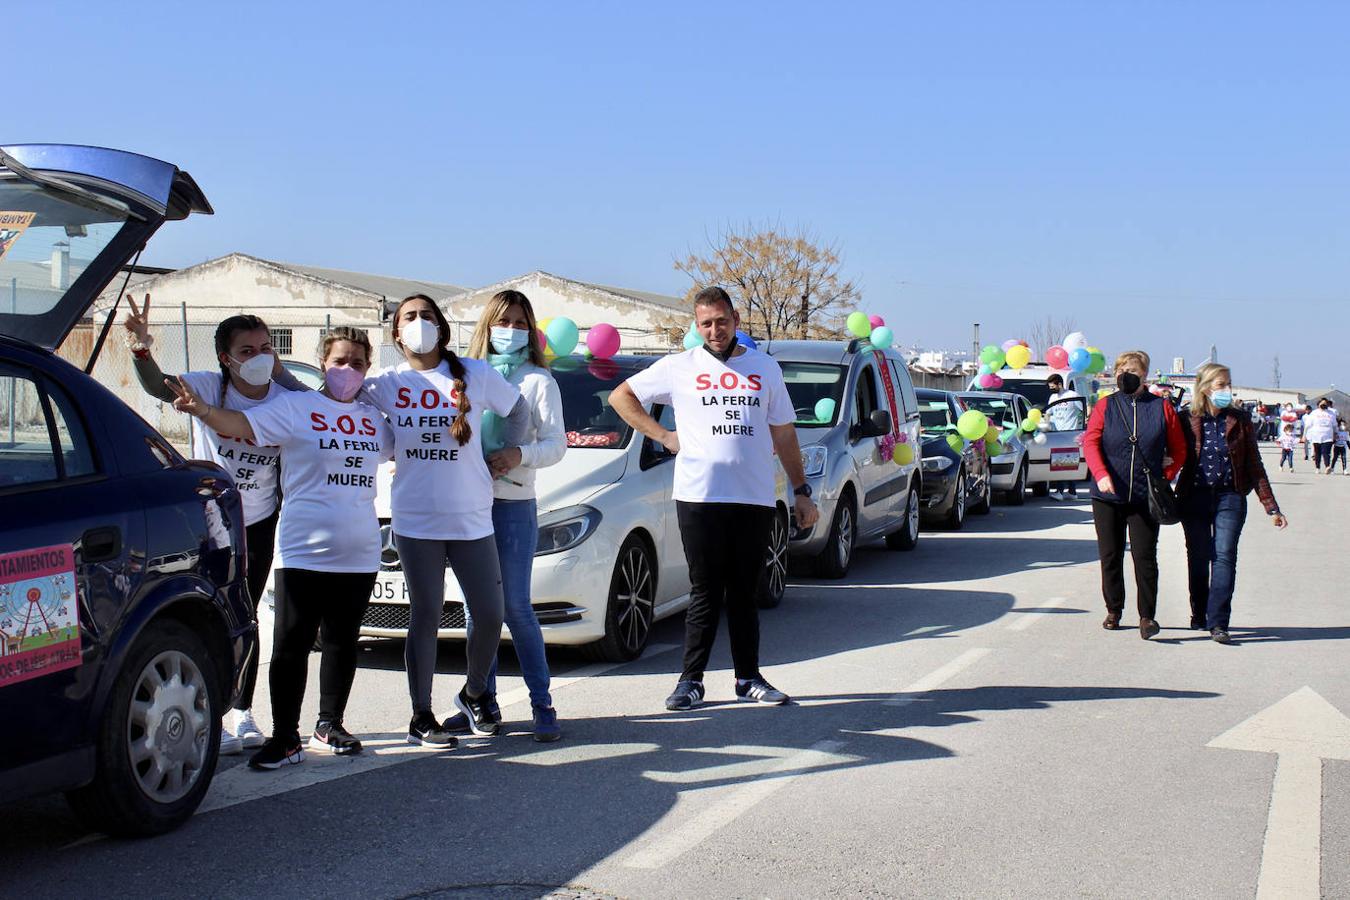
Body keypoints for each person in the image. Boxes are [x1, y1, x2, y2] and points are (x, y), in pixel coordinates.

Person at [168, 327, 393, 768]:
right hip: (303, 549)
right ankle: (285, 737)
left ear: (368, 370)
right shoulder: (295, 407)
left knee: (343, 642)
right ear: (321, 364)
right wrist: (203, 410)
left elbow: (412, 448)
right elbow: (239, 425)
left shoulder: (375, 421)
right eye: (339, 361)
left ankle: (330, 725)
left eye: (358, 363)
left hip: (360, 550)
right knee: (290, 644)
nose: (348, 370)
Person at [610, 287, 819, 710]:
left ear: (735, 319)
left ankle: (748, 678)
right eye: (705, 323)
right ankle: (690, 681)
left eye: (721, 321)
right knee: (704, 589)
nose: (714, 330)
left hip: (754, 496)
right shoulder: (679, 366)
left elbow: (783, 432)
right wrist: (664, 436)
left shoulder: (764, 368)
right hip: (699, 496)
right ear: (696, 325)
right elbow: (621, 396)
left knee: (744, 590)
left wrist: (801, 491)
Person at [123, 294, 295, 755]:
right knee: (200, 612)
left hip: (255, 522)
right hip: (204, 521)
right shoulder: (207, 386)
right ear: (225, 358)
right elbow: (160, 386)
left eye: (265, 349)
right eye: (246, 351)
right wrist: (142, 348)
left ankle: (241, 710)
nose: (258, 358)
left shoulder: (285, 399)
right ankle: (201, 707)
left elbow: (322, 408)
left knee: (246, 612)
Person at [361, 295, 530, 742]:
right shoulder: (387, 381)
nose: (419, 323)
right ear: (396, 333)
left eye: (427, 316)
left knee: (491, 614)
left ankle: (474, 694)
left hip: (473, 516)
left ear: (442, 325)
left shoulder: (474, 374)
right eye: (409, 317)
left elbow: (518, 410)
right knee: (426, 615)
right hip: (416, 520)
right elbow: (335, 399)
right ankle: (421, 715)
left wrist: (505, 455)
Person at [455, 289, 567, 742]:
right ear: (487, 326)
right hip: (467, 503)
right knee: (475, 612)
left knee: (516, 608)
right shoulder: (466, 377)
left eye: (521, 324)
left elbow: (557, 444)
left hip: (514, 504)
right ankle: (482, 702)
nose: (512, 331)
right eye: (504, 322)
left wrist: (518, 454)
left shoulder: (538, 381)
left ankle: (542, 704)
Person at [1176, 364, 1288, 643]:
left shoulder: (1239, 419)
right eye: (1220, 385)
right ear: (1204, 387)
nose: (1226, 390)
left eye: (1228, 384)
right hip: (1195, 496)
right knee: (1199, 557)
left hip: (1231, 496)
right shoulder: (1186, 419)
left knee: (1224, 556)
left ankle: (1219, 622)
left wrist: (1271, 506)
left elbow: (1254, 463)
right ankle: (1199, 612)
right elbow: (1169, 452)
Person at [1082, 350, 1187, 639]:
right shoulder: (1106, 406)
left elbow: (1179, 450)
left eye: (1134, 370)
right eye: (1122, 370)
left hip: (1144, 496)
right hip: (1108, 495)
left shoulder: (1161, 408)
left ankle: (1147, 616)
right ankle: (1114, 609)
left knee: (1144, 556)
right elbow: (1090, 443)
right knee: (1111, 555)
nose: (1127, 375)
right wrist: (1101, 475)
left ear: (1145, 376)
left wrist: (1163, 476)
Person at [1045, 373, 1083, 501]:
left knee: (1063, 462)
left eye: (1053, 386)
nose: (1051, 389)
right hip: (1057, 434)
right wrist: (1046, 425)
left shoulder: (1072, 396)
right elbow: (1048, 413)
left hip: (1071, 433)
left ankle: (1060, 491)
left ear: (1059, 384)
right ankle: (1072, 492)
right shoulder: (1052, 397)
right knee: (1064, 462)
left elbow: (1083, 409)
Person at [1305, 398, 1337, 474]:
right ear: (1318, 404)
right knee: (1317, 453)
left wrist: (1335, 434)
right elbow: (1308, 425)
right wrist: (1304, 435)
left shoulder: (1331, 413)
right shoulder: (1314, 413)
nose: (1323, 405)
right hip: (1316, 436)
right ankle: (1317, 467)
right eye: (1322, 403)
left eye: (1325, 403)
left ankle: (1327, 467)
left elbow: (1335, 426)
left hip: (1328, 436)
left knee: (1326, 452)